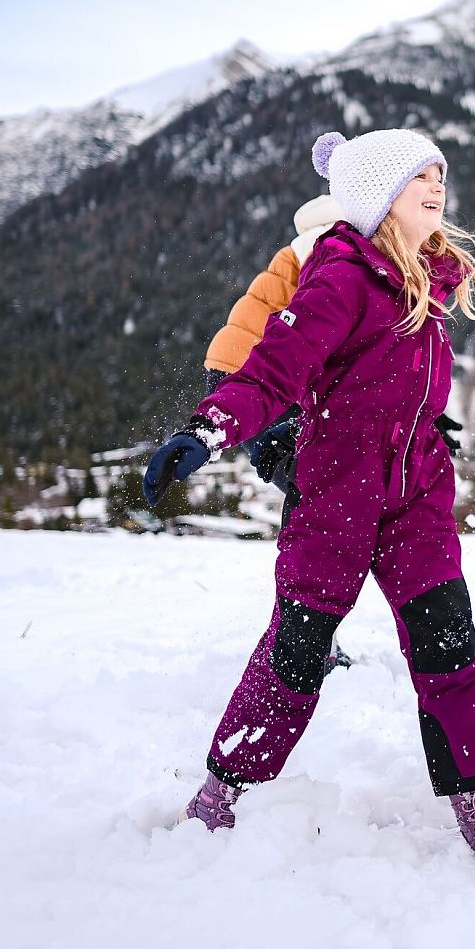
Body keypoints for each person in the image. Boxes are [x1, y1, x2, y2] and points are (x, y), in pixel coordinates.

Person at [143, 127, 475, 874]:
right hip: (334, 498)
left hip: (415, 494)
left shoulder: (430, 280)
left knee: (450, 644)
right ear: (380, 193)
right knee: (296, 649)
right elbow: (273, 368)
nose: (438, 185)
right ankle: (225, 784)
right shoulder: (341, 275)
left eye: (441, 174)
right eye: (420, 175)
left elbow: (404, 386)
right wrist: (208, 427)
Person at [201, 192, 354, 673]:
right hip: (257, 381)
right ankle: (300, 641)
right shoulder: (329, 239)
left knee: (314, 496)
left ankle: (304, 636)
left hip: (245, 373)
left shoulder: (313, 240)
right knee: (315, 497)